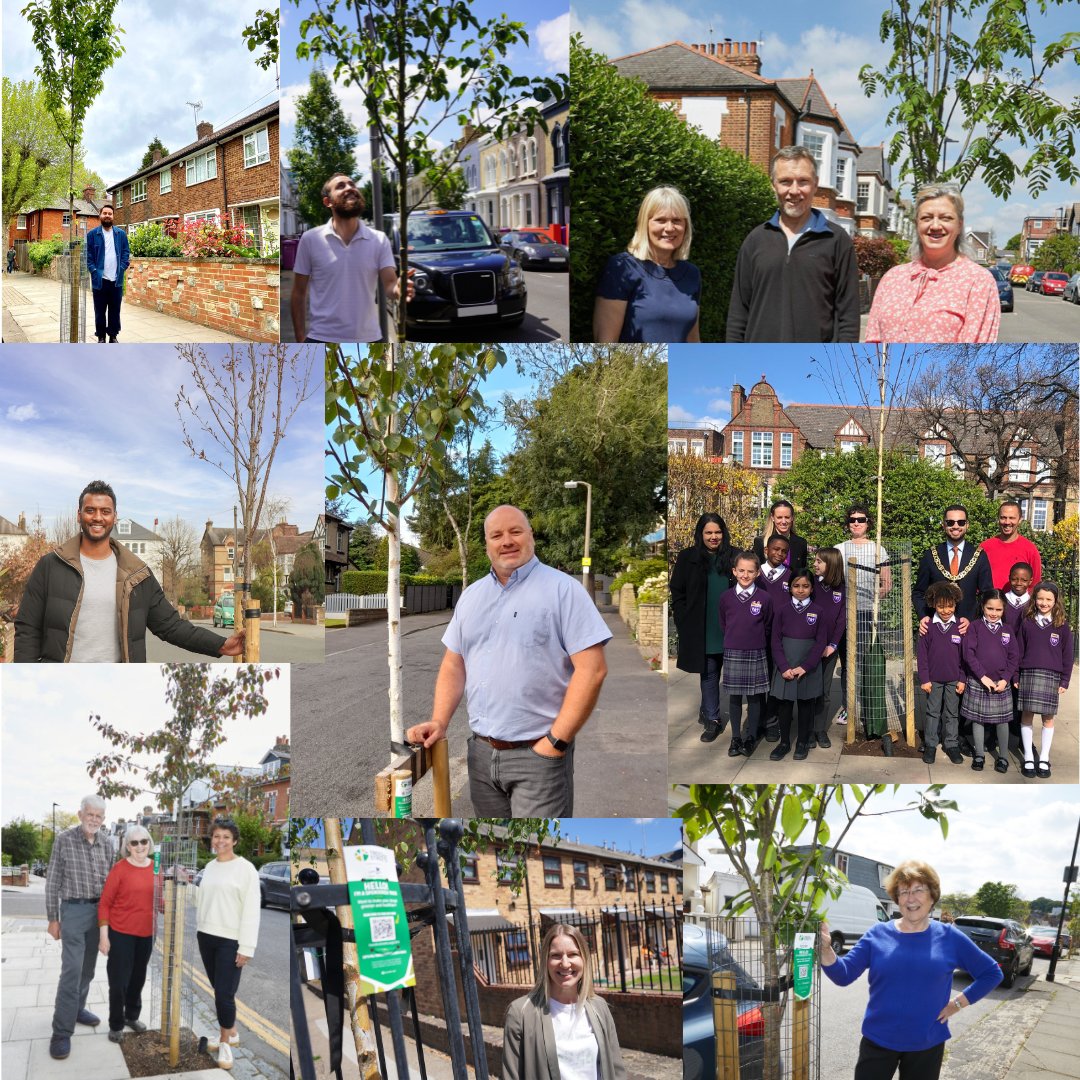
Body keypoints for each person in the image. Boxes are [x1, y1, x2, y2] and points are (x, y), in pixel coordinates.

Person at [405, 505, 611, 816]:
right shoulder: (471, 596)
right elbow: (454, 664)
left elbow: (592, 670)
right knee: (496, 846)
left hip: (538, 756)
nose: (507, 541)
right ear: (487, 544)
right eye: (496, 535)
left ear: (531, 536)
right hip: (481, 756)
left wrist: (555, 742)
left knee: (535, 848)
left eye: (515, 531)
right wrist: (439, 721)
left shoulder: (563, 590)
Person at [14, 479, 244, 662]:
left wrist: (219, 645)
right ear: (79, 515)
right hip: (61, 686)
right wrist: (29, 680)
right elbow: (27, 629)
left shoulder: (137, 575)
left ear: (114, 518)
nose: (97, 517)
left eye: (105, 511)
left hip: (118, 685)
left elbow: (171, 626)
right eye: (90, 510)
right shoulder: (51, 566)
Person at [819, 859, 1003, 1080]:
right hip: (878, 1040)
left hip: (927, 1044)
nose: (911, 898)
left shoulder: (949, 937)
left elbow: (992, 973)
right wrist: (827, 950)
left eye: (918, 890)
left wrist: (958, 1003)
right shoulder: (877, 934)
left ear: (932, 896)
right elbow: (843, 974)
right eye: (904, 892)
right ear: (897, 899)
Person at [726, 146, 860, 342]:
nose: (794, 191)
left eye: (803, 181)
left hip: (816, 365)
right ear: (774, 185)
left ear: (815, 184)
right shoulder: (755, 241)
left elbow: (848, 317)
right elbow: (739, 312)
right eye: (785, 182)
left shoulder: (837, 240)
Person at [866, 185, 999, 343]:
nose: (935, 226)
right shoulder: (892, 278)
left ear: (959, 226)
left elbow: (976, 352)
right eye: (926, 218)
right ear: (917, 225)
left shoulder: (978, 281)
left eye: (945, 218)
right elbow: (872, 341)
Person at [290, 173, 413, 344]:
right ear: (328, 202)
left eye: (352, 184)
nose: (350, 188)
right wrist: (300, 339)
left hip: (370, 340)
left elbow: (390, 285)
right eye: (340, 186)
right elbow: (298, 293)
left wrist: (399, 289)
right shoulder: (310, 239)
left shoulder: (379, 239)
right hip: (321, 338)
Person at [502, 922, 627, 1080]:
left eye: (573, 954)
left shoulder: (599, 1007)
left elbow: (617, 1071)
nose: (565, 963)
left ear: (584, 959)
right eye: (556, 955)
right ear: (546, 961)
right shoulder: (520, 1013)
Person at [45, 796, 115, 1060]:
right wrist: (53, 917)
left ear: (103, 819)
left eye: (99, 816)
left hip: (99, 913)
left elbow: (112, 884)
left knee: (87, 969)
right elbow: (52, 881)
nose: (94, 819)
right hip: (73, 911)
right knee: (72, 971)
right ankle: (61, 1031)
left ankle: (76, 1010)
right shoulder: (64, 839)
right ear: (80, 814)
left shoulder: (108, 843)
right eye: (90, 814)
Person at [593, 186, 701, 343]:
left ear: (685, 226)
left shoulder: (691, 274)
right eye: (660, 220)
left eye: (677, 221)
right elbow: (606, 343)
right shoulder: (622, 268)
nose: (670, 228)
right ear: (645, 224)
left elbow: (693, 340)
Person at [196, 817, 261, 1070]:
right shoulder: (210, 867)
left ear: (234, 840)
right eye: (216, 836)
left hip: (230, 941)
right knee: (219, 990)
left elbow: (251, 911)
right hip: (206, 936)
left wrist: (246, 947)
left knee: (224, 994)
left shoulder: (246, 869)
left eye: (225, 836)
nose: (220, 840)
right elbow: (204, 899)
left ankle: (225, 1042)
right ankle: (231, 1031)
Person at [669, 514, 733, 744]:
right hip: (702, 628)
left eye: (717, 532)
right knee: (709, 675)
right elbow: (677, 591)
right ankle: (713, 719)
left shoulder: (734, 556)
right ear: (701, 534)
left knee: (732, 677)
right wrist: (683, 619)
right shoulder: (688, 557)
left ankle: (708, 708)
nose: (714, 537)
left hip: (730, 628)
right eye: (709, 533)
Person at [833, 504, 891, 726]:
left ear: (868, 522)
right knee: (848, 663)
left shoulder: (878, 549)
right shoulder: (839, 549)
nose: (856, 523)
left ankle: (868, 709)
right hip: (844, 615)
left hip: (868, 613)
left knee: (867, 662)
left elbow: (887, 583)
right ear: (847, 523)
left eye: (861, 519)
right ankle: (848, 708)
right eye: (852, 519)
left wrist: (878, 596)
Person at [98, 826, 155, 1043]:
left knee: (138, 979)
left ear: (149, 843)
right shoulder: (119, 869)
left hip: (146, 934)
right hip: (121, 933)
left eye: (144, 841)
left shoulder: (156, 868)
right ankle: (116, 1024)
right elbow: (104, 904)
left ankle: (132, 1016)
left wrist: (176, 891)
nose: (140, 846)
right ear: (127, 847)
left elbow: (159, 903)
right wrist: (104, 936)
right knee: (119, 980)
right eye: (134, 843)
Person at [717, 551, 773, 757]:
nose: (745, 575)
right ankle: (735, 739)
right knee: (734, 698)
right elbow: (724, 623)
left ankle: (750, 737)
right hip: (733, 650)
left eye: (750, 571)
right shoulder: (725, 597)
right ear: (734, 571)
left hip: (756, 651)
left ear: (758, 573)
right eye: (741, 570)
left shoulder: (765, 598)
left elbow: (767, 625)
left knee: (755, 697)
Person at [1016, 583, 1073, 779]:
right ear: (1034, 599)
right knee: (1027, 715)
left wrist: (1064, 680)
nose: (1044, 603)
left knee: (1048, 718)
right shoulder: (1027, 622)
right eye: (1040, 598)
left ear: (1055, 601)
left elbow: (1067, 655)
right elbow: (1018, 651)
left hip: (1051, 676)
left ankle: (1044, 757)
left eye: (1049, 599)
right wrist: (1016, 675)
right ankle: (1029, 756)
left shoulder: (1062, 626)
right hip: (1029, 674)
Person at [769, 569, 827, 761]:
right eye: (796, 586)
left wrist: (806, 666)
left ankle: (802, 742)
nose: (800, 590)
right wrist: (783, 666)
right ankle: (784, 742)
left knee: (806, 706)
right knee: (784, 706)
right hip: (786, 665)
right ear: (790, 587)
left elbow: (820, 643)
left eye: (805, 586)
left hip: (807, 668)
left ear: (812, 588)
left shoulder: (818, 611)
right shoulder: (782, 610)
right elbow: (775, 640)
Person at [961, 590, 1019, 773]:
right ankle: (979, 754)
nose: (993, 613)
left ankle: (1002, 757)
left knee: (1002, 721)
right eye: (989, 608)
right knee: (978, 720)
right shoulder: (975, 627)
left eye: (998, 610)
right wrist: (982, 676)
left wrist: (1006, 679)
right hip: (979, 682)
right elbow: (968, 654)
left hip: (1001, 683)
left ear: (1004, 610)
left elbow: (1014, 657)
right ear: (982, 606)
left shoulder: (1008, 630)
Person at [912, 504, 993, 632]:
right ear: (943, 525)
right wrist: (924, 616)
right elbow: (918, 593)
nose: (955, 526)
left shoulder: (979, 556)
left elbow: (986, 595)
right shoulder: (930, 556)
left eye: (961, 522)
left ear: (967, 525)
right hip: (936, 628)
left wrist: (972, 619)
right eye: (950, 522)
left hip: (968, 628)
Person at [917, 581, 967, 765]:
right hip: (934, 681)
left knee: (952, 713)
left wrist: (962, 679)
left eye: (950, 606)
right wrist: (924, 679)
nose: (946, 611)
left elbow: (965, 657)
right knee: (932, 712)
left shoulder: (960, 628)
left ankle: (951, 744)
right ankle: (930, 744)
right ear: (933, 605)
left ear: (955, 604)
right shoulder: (927, 627)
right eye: (941, 606)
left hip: (954, 680)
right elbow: (921, 656)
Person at [810, 549, 846, 749]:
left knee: (824, 691)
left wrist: (833, 645)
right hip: (810, 647)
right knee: (808, 690)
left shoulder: (840, 588)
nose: (814, 564)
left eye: (818, 561)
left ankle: (820, 730)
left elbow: (841, 619)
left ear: (830, 564)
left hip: (829, 650)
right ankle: (806, 730)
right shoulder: (811, 583)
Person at [85, 203, 130, 343]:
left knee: (115, 310)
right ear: (100, 215)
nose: (107, 216)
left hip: (116, 280)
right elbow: (88, 256)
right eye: (105, 213)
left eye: (110, 214)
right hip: (100, 280)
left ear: (113, 216)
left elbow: (125, 253)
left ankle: (113, 335)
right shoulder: (92, 234)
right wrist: (93, 271)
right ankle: (101, 336)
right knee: (100, 311)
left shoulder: (121, 234)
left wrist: (123, 266)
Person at [979, 501, 1042, 588]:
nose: (1007, 522)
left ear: (1020, 520)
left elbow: (1035, 584)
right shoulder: (985, 547)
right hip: (990, 600)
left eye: (1012, 518)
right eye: (1003, 517)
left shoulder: (1030, 549)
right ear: (998, 519)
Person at [752, 500, 808, 570]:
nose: (784, 522)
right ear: (772, 518)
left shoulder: (801, 543)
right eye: (779, 517)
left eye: (787, 517)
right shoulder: (761, 542)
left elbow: (801, 572)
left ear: (792, 518)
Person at [1002, 562, 1033, 632]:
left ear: (1030, 581)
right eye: (1014, 579)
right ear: (1009, 578)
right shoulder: (1001, 600)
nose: (1018, 583)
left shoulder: (1033, 604)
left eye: (1024, 580)